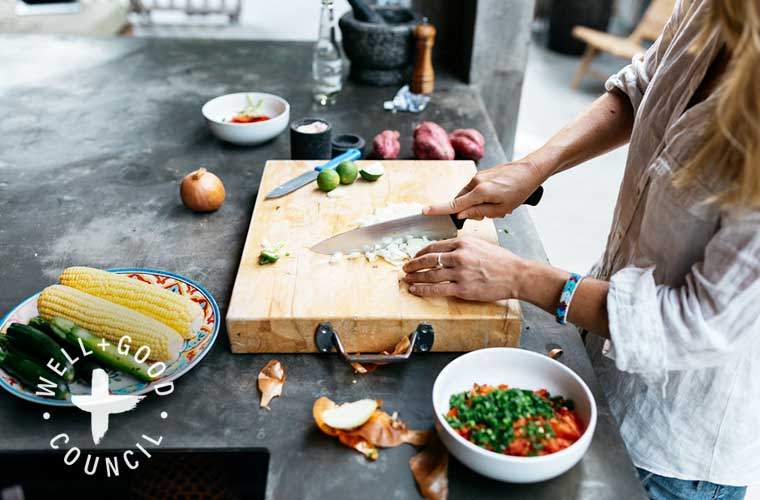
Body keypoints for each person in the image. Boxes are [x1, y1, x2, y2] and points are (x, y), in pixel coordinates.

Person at [403, 1, 759, 499]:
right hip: (599, 367)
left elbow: (695, 323)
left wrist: (523, 279)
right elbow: (640, 88)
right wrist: (533, 167)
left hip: (676, 452)